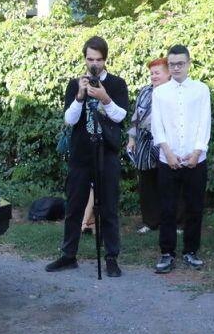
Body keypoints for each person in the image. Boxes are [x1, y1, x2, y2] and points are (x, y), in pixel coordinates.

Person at [46, 36, 129, 277]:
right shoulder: (75, 85)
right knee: (74, 206)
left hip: (107, 153)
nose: (94, 64)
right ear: (85, 59)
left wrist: (105, 98)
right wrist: (80, 97)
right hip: (81, 154)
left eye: (99, 60)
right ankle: (68, 255)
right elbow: (69, 120)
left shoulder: (117, 84)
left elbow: (120, 116)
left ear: (105, 59)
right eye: (90, 59)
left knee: (109, 208)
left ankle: (111, 258)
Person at [152, 44, 212, 273]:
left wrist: (197, 152)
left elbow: (204, 122)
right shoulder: (160, 92)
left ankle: (191, 251)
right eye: (172, 64)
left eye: (180, 64)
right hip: (168, 159)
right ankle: (167, 253)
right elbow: (157, 125)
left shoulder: (201, 89)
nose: (176, 68)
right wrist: (167, 152)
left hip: (195, 159)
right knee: (167, 208)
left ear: (188, 64)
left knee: (194, 207)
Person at [126, 58, 171, 233]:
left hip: (167, 143)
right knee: (146, 184)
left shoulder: (174, 92)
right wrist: (132, 138)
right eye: (151, 73)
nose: (153, 76)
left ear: (168, 73)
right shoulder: (145, 91)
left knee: (170, 182)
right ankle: (150, 222)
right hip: (144, 142)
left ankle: (176, 222)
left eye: (157, 72)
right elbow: (136, 117)